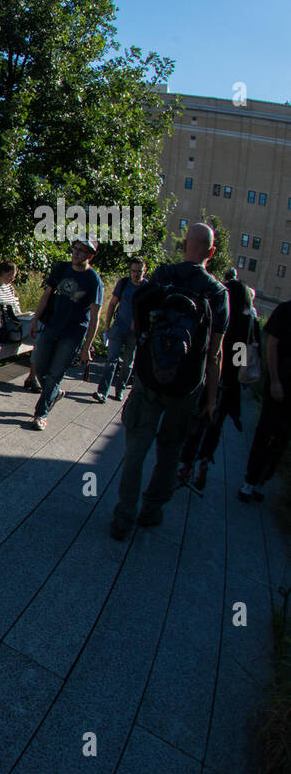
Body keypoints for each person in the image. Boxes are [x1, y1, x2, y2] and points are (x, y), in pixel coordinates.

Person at [110, 223, 228, 540]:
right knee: (170, 452)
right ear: (211, 253)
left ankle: (123, 517)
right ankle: (151, 512)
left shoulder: (162, 277)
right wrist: (213, 398)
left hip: (149, 379)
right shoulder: (218, 293)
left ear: (184, 245)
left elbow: (138, 320)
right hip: (186, 388)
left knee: (135, 449)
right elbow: (215, 354)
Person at [179, 267, 256, 491]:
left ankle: (186, 464)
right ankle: (205, 459)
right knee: (215, 425)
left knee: (198, 419)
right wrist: (236, 375)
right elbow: (244, 349)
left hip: (211, 374)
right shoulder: (247, 318)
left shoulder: (221, 311)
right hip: (229, 382)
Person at [27, 237, 103, 430]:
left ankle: (41, 414)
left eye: (82, 250)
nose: (76, 252)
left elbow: (95, 317)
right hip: (51, 327)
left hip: (72, 334)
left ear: (90, 256)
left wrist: (86, 347)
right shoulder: (62, 268)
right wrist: (36, 318)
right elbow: (47, 295)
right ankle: (55, 393)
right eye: (76, 248)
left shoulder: (94, 281)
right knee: (41, 369)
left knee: (54, 374)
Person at [238, 296, 291, 502]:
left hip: (276, 380)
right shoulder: (284, 311)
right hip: (278, 383)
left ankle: (261, 480)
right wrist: (275, 380)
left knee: (281, 437)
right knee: (266, 432)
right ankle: (251, 480)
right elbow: (269, 344)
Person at [92, 257, 146, 403]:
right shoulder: (124, 283)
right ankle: (102, 392)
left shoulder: (147, 288)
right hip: (118, 327)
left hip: (135, 332)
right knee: (111, 360)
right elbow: (112, 304)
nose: (136, 274)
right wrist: (108, 326)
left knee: (128, 362)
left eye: (139, 271)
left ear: (144, 271)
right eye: (133, 271)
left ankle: (120, 390)